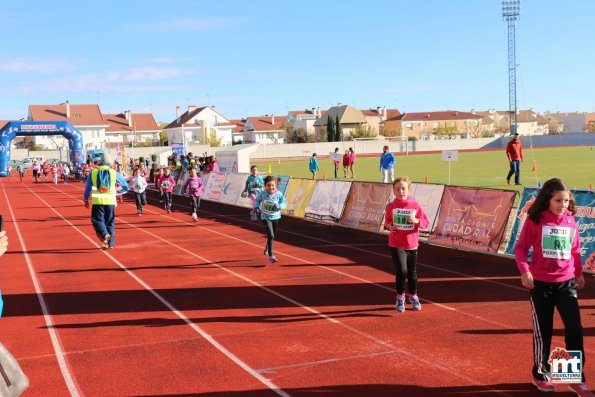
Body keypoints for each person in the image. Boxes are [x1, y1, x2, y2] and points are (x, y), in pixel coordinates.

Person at [514, 178, 592, 395]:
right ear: (547, 199)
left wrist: (578, 273)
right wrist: (525, 271)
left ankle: (573, 378)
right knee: (544, 332)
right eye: (558, 200)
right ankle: (540, 375)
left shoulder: (570, 220)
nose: (563, 205)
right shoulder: (535, 220)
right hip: (541, 285)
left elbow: (575, 250)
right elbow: (520, 248)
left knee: (574, 330)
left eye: (566, 201)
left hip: (566, 283)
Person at [384, 176, 429, 313]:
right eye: (397, 189)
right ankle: (400, 297)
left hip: (412, 244)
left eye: (403, 189)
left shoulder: (415, 205)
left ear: (409, 190)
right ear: (394, 191)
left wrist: (416, 220)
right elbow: (387, 223)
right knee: (401, 271)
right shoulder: (391, 206)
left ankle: (414, 296)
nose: (400, 192)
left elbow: (425, 223)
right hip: (396, 243)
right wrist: (389, 227)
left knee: (412, 274)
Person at [83, 154, 129, 249]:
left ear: (100, 161)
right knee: (110, 222)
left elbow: (87, 187)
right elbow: (125, 186)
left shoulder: (94, 171)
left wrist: (85, 199)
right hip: (110, 201)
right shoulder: (113, 172)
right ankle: (110, 244)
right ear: (110, 162)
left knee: (97, 220)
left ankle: (104, 235)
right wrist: (118, 192)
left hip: (98, 201)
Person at [254, 175, 287, 264]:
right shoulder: (263, 194)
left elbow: (284, 203)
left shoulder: (279, 194)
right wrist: (256, 207)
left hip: (276, 217)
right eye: (268, 185)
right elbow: (257, 200)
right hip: (265, 217)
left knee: (271, 235)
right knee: (271, 235)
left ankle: (267, 246)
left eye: (272, 185)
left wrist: (279, 206)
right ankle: (271, 256)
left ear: (276, 185)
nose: (271, 187)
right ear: (265, 186)